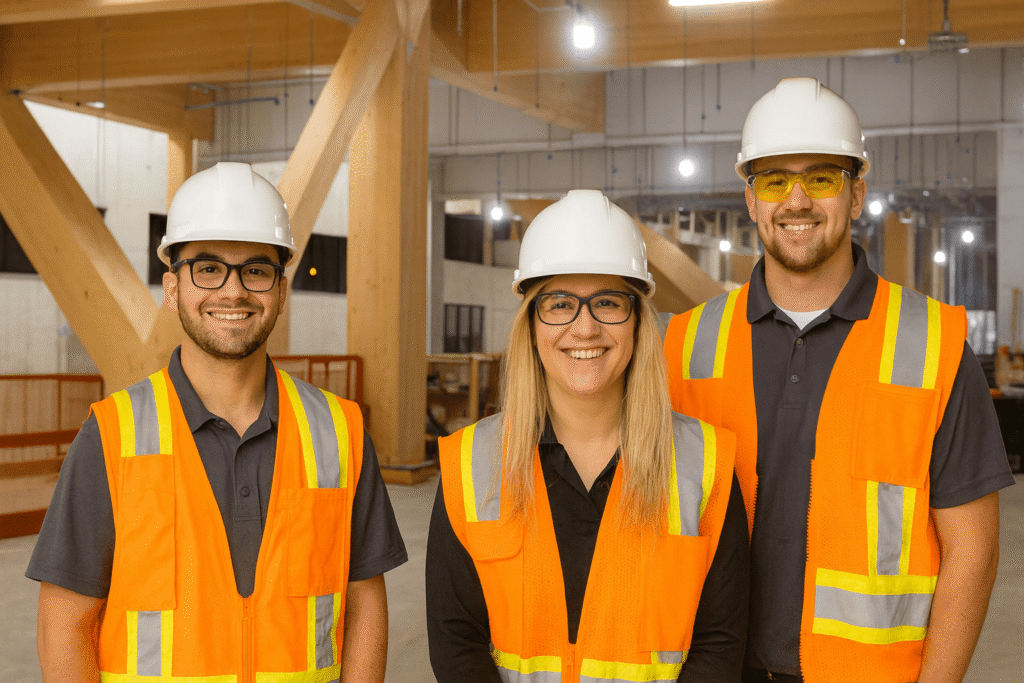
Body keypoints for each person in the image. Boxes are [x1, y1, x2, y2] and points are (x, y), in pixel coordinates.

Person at [663, 77, 1016, 683]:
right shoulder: (683, 346)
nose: (796, 201)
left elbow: (973, 551)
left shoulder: (932, 345)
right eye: (775, 180)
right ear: (750, 199)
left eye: (821, 178)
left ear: (856, 195)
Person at [27, 162, 407, 681]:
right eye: (208, 268)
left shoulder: (338, 431)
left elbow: (365, 604)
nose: (233, 292)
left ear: (281, 289)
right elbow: (66, 621)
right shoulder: (113, 433)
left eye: (256, 269)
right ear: (172, 287)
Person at [426, 189, 749, 682]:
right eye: (559, 304)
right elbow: (456, 643)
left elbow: (720, 645)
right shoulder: (470, 464)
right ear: (531, 325)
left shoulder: (704, 464)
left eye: (607, 303)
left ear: (638, 322)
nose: (585, 328)